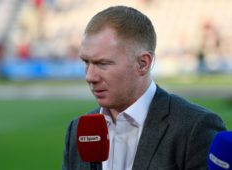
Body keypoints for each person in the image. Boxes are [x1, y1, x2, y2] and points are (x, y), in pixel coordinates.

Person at [62, 6, 226, 170]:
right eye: (86, 62)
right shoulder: (77, 129)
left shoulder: (195, 128)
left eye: (103, 64)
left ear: (143, 63)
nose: (90, 76)